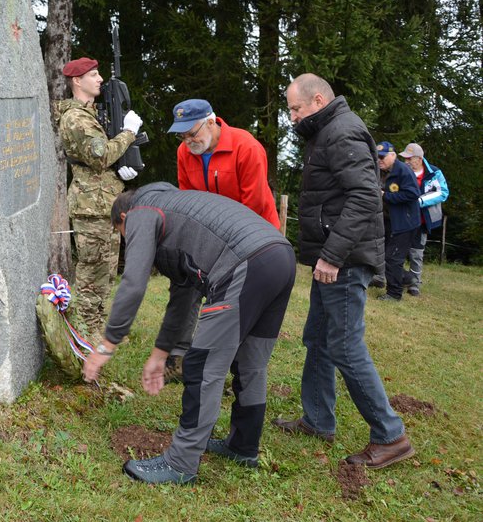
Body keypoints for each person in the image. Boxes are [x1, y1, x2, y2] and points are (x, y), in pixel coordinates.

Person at [82, 183, 296, 484]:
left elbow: (133, 283)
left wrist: (106, 344)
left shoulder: (141, 212)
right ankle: (243, 446)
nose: (128, 241)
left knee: (202, 366)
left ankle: (180, 464)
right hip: (279, 257)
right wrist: (160, 355)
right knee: (251, 364)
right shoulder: (178, 216)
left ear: (123, 219)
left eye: (123, 234)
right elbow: (183, 298)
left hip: (244, 262)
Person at [274, 73, 414, 469]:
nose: (291, 117)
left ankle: (391, 436)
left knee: (345, 345)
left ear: (318, 100)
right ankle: (318, 419)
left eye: (295, 109)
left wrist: (333, 255)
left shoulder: (342, 132)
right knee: (318, 337)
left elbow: (365, 196)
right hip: (334, 257)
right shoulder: (328, 131)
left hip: (345, 261)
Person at [163, 98, 281, 382]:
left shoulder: (246, 147)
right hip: (207, 236)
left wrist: (228, 254)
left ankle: (234, 369)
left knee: (234, 303)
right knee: (184, 283)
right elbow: (188, 200)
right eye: (182, 135)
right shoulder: (184, 152)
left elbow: (253, 207)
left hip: (253, 238)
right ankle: (178, 358)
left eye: (193, 133)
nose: (188, 141)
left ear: (212, 121)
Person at [53, 57, 143, 335]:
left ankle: (95, 329)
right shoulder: (76, 118)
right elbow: (101, 154)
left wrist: (124, 167)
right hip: (91, 207)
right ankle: (84, 333)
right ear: (77, 81)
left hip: (106, 203)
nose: (100, 79)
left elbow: (105, 157)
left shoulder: (92, 113)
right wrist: (129, 133)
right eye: (93, 74)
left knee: (105, 273)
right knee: (92, 274)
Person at [399, 143, 449, 296]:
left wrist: (419, 201)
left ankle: (415, 284)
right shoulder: (401, 171)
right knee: (397, 251)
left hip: (422, 221)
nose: (406, 161)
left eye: (409, 158)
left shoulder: (434, 172)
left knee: (416, 253)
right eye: (405, 158)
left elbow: (443, 193)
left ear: (419, 159)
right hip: (402, 219)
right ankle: (398, 279)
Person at [375, 141, 421, 301]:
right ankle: (407, 278)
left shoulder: (403, 171)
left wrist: (386, 196)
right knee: (386, 255)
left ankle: (394, 294)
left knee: (393, 258)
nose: (379, 160)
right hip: (388, 221)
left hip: (405, 223)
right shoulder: (380, 171)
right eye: (377, 157)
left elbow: (413, 194)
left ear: (393, 155)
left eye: (382, 157)